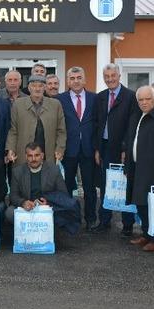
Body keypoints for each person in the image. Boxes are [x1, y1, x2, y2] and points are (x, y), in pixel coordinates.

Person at [124, 86, 154, 251]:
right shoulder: (136, 116)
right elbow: (131, 140)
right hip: (137, 167)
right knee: (141, 203)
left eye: (147, 99)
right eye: (141, 100)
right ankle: (146, 233)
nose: (144, 103)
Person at [92, 63, 140, 237]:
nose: (110, 79)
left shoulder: (131, 97)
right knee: (105, 185)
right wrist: (97, 148)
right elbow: (97, 124)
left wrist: (125, 149)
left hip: (122, 149)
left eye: (113, 76)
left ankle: (128, 224)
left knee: (125, 185)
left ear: (119, 76)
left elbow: (132, 126)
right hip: (104, 147)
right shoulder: (100, 97)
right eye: (107, 77)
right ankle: (104, 221)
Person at [57, 66, 99, 229]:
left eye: (79, 78)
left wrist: (97, 148)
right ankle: (69, 219)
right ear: (68, 81)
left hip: (89, 149)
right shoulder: (60, 99)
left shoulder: (95, 98)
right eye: (72, 78)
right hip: (68, 150)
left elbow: (98, 123)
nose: (76, 81)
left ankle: (90, 219)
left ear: (84, 79)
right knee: (66, 187)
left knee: (89, 187)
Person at [6, 74, 67, 166]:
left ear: (45, 88)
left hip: (48, 153)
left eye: (41, 86)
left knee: (47, 179)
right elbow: (13, 130)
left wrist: (60, 149)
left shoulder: (55, 105)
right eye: (34, 86)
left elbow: (61, 130)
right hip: (24, 153)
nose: (37, 89)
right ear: (29, 88)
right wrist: (11, 149)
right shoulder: (18, 104)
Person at [6, 143, 71, 224]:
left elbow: (63, 194)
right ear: (26, 157)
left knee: (64, 210)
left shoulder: (54, 170)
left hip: (47, 207)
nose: (34, 159)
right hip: (26, 208)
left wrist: (48, 203)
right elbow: (13, 195)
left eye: (37, 155)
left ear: (42, 156)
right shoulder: (17, 171)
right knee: (9, 212)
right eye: (30, 156)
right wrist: (23, 203)